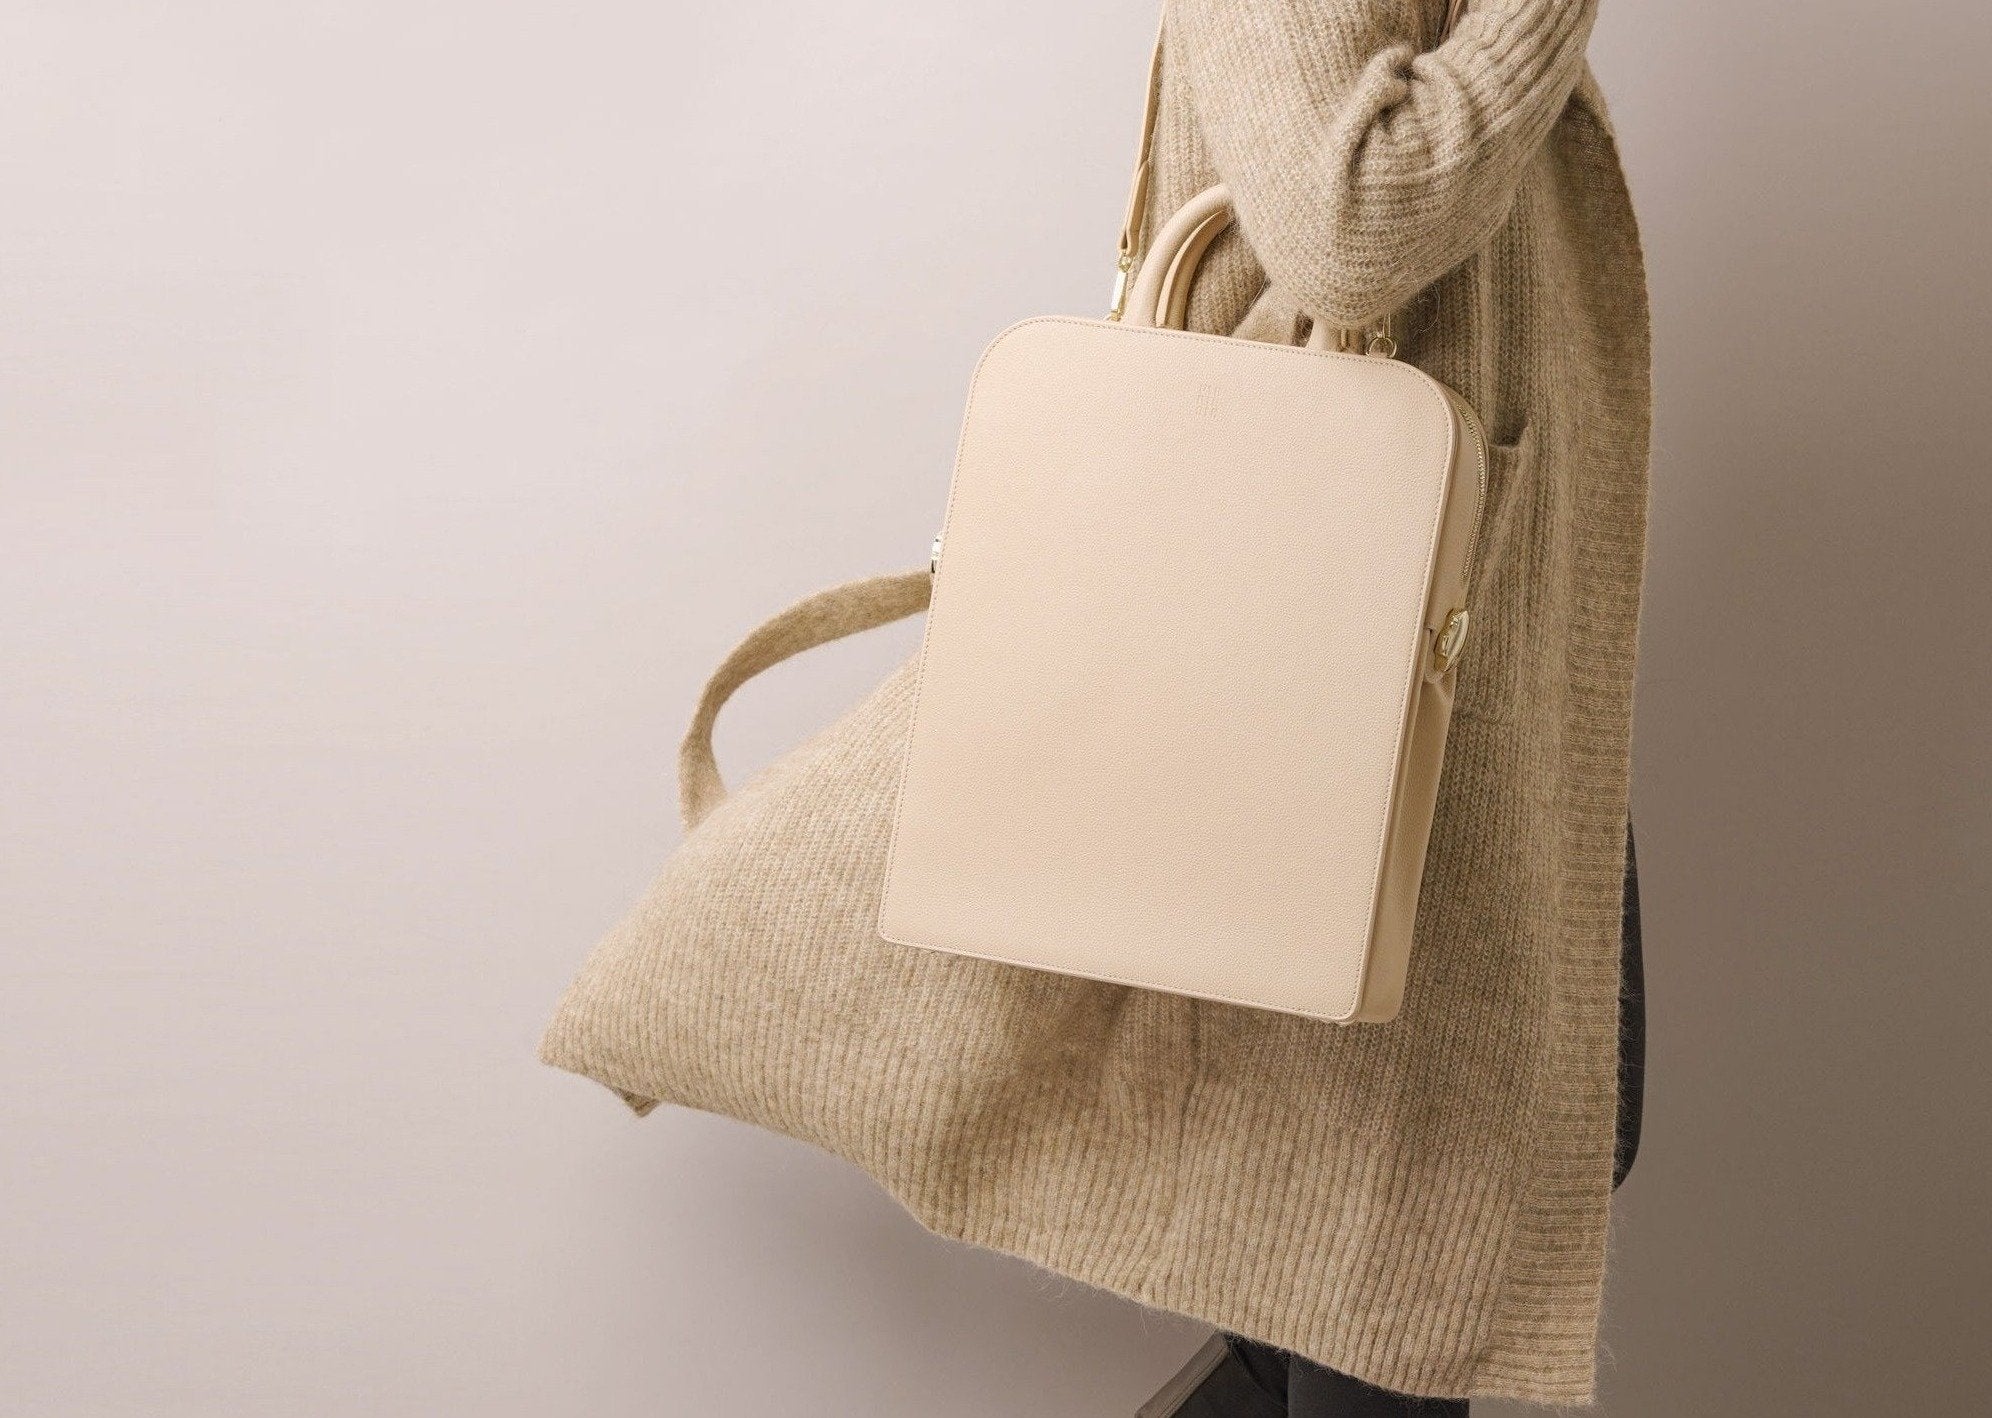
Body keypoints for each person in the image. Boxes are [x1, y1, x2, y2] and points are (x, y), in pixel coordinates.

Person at [1127, 0, 1652, 1409]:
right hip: (1342, 651)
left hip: (1454, 645)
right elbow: (1346, 226)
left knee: (1512, 1159)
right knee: (1404, 1236)